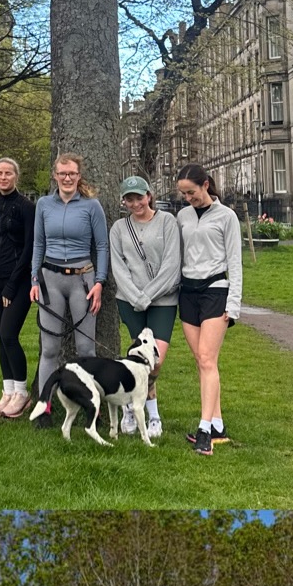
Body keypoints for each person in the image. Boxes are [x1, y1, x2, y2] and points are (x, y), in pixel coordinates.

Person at [174, 162, 243, 456]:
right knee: (201, 361)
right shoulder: (182, 217)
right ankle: (218, 425)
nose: (188, 198)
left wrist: (234, 304)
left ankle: (204, 431)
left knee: (207, 358)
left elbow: (235, 262)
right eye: (184, 195)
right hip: (187, 292)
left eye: (191, 192)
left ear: (205, 184)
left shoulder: (227, 217)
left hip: (215, 291)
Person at [30, 153, 109, 404]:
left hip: (82, 281)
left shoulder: (91, 206)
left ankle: (89, 405)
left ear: (78, 176)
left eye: (72, 173)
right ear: (55, 175)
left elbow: (103, 246)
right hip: (49, 280)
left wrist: (99, 282)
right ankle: (45, 406)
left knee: (85, 349)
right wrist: (34, 279)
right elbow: (38, 243)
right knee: (50, 349)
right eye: (62, 173)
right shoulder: (43, 204)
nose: (67, 178)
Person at [108, 176, 181, 440]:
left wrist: (148, 295)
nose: (136, 203)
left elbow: (172, 264)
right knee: (138, 361)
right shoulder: (119, 228)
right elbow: (118, 267)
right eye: (130, 199)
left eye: (140, 197)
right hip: (129, 300)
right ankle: (141, 411)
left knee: (155, 362)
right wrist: (135, 297)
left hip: (162, 300)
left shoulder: (167, 222)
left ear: (149, 196)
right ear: (123, 201)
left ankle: (139, 405)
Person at [0, 156, 36, 420]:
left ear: (16, 176)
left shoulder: (26, 207)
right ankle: (8, 390)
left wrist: (12, 286)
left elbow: (29, 248)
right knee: (1, 337)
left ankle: (22, 392)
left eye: (8, 173)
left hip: (18, 281)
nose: (3, 177)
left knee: (9, 334)